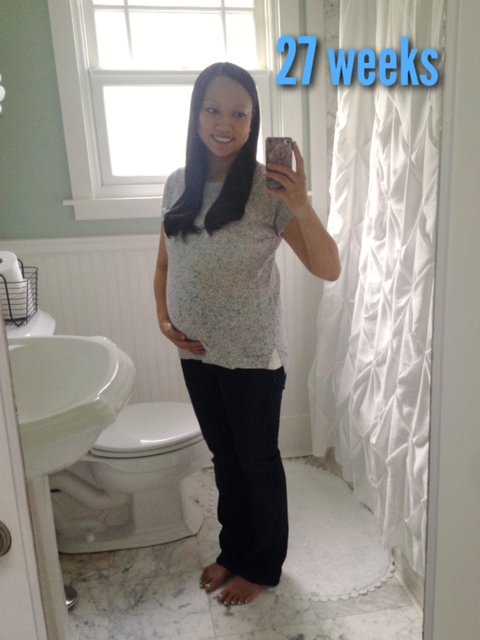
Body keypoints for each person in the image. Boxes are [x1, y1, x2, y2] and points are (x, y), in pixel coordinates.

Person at [153, 62, 340, 606]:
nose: (225, 124)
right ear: (196, 115)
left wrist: (301, 203)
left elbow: (328, 268)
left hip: (252, 357)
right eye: (213, 109)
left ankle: (262, 566)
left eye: (239, 113)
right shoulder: (176, 184)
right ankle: (234, 551)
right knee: (225, 460)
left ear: (253, 121)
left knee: (256, 464)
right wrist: (164, 320)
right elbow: (165, 265)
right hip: (196, 355)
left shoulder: (269, 189)